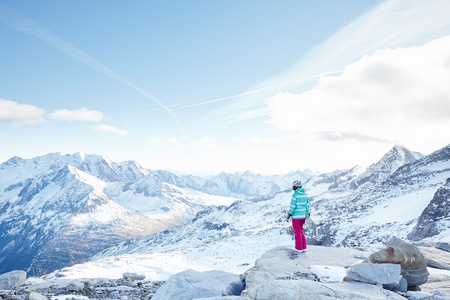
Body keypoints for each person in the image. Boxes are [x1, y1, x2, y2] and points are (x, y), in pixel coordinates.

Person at [286, 180, 310, 252]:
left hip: (296, 217)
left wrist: (289, 214)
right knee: (301, 231)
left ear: (295, 186)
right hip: (303, 216)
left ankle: (298, 248)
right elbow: (307, 206)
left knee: (297, 232)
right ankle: (304, 247)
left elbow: (292, 206)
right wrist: (308, 213)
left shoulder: (295, 195)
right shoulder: (305, 195)